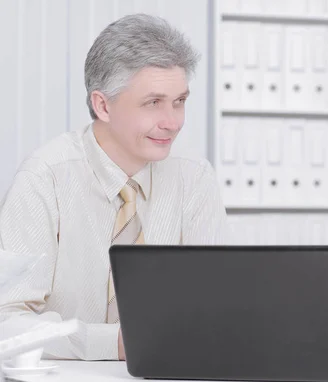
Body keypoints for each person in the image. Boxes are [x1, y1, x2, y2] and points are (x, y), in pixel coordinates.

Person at [0, 14, 229, 361]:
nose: (173, 122)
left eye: (179, 101)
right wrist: (117, 343)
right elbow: (7, 322)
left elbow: (219, 305)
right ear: (103, 105)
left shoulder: (194, 177)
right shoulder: (44, 178)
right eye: (153, 103)